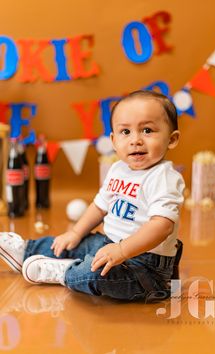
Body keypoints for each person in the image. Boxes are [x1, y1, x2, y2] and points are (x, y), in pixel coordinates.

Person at [0, 90, 185, 302]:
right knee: (71, 244)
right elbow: (99, 206)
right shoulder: (118, 169)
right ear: (114, 141)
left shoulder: (164, 177)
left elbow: (162, 226)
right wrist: (76, 233)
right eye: (126, 132)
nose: (136, 140)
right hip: (109, 243)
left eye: (147, 130)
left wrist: (123, 250)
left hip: (144, 265)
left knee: (98, 276)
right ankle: (26, 250)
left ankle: (66, 272)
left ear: (172, 139)